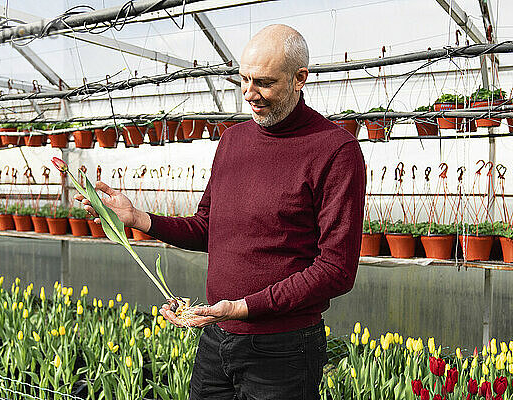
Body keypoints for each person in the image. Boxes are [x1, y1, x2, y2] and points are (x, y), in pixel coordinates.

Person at [77, 24, 365, 400]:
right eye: (243, 78)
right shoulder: (233, 141)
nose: (249, 93)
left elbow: (336, 271)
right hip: (216, 340)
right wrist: (138, 219)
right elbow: (207, 227)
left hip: (282, 349)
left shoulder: (334, 151)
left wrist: (245, 308)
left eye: (263, 82)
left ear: (300, 79)